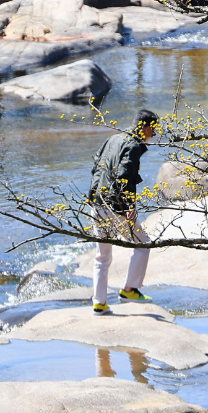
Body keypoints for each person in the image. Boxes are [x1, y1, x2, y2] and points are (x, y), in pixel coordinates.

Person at [86, 110, 160, 313]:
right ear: (145, 127)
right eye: (153, 129)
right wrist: (128, 209)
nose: (153, 134)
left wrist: (95, 198)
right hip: (115, 207)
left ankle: (99, 303)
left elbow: (96, 167)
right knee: (143, 244)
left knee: (102, 256)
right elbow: (124, 177)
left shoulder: (113, 138)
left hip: (97, 202)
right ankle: (130, 289)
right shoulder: (134, 146)